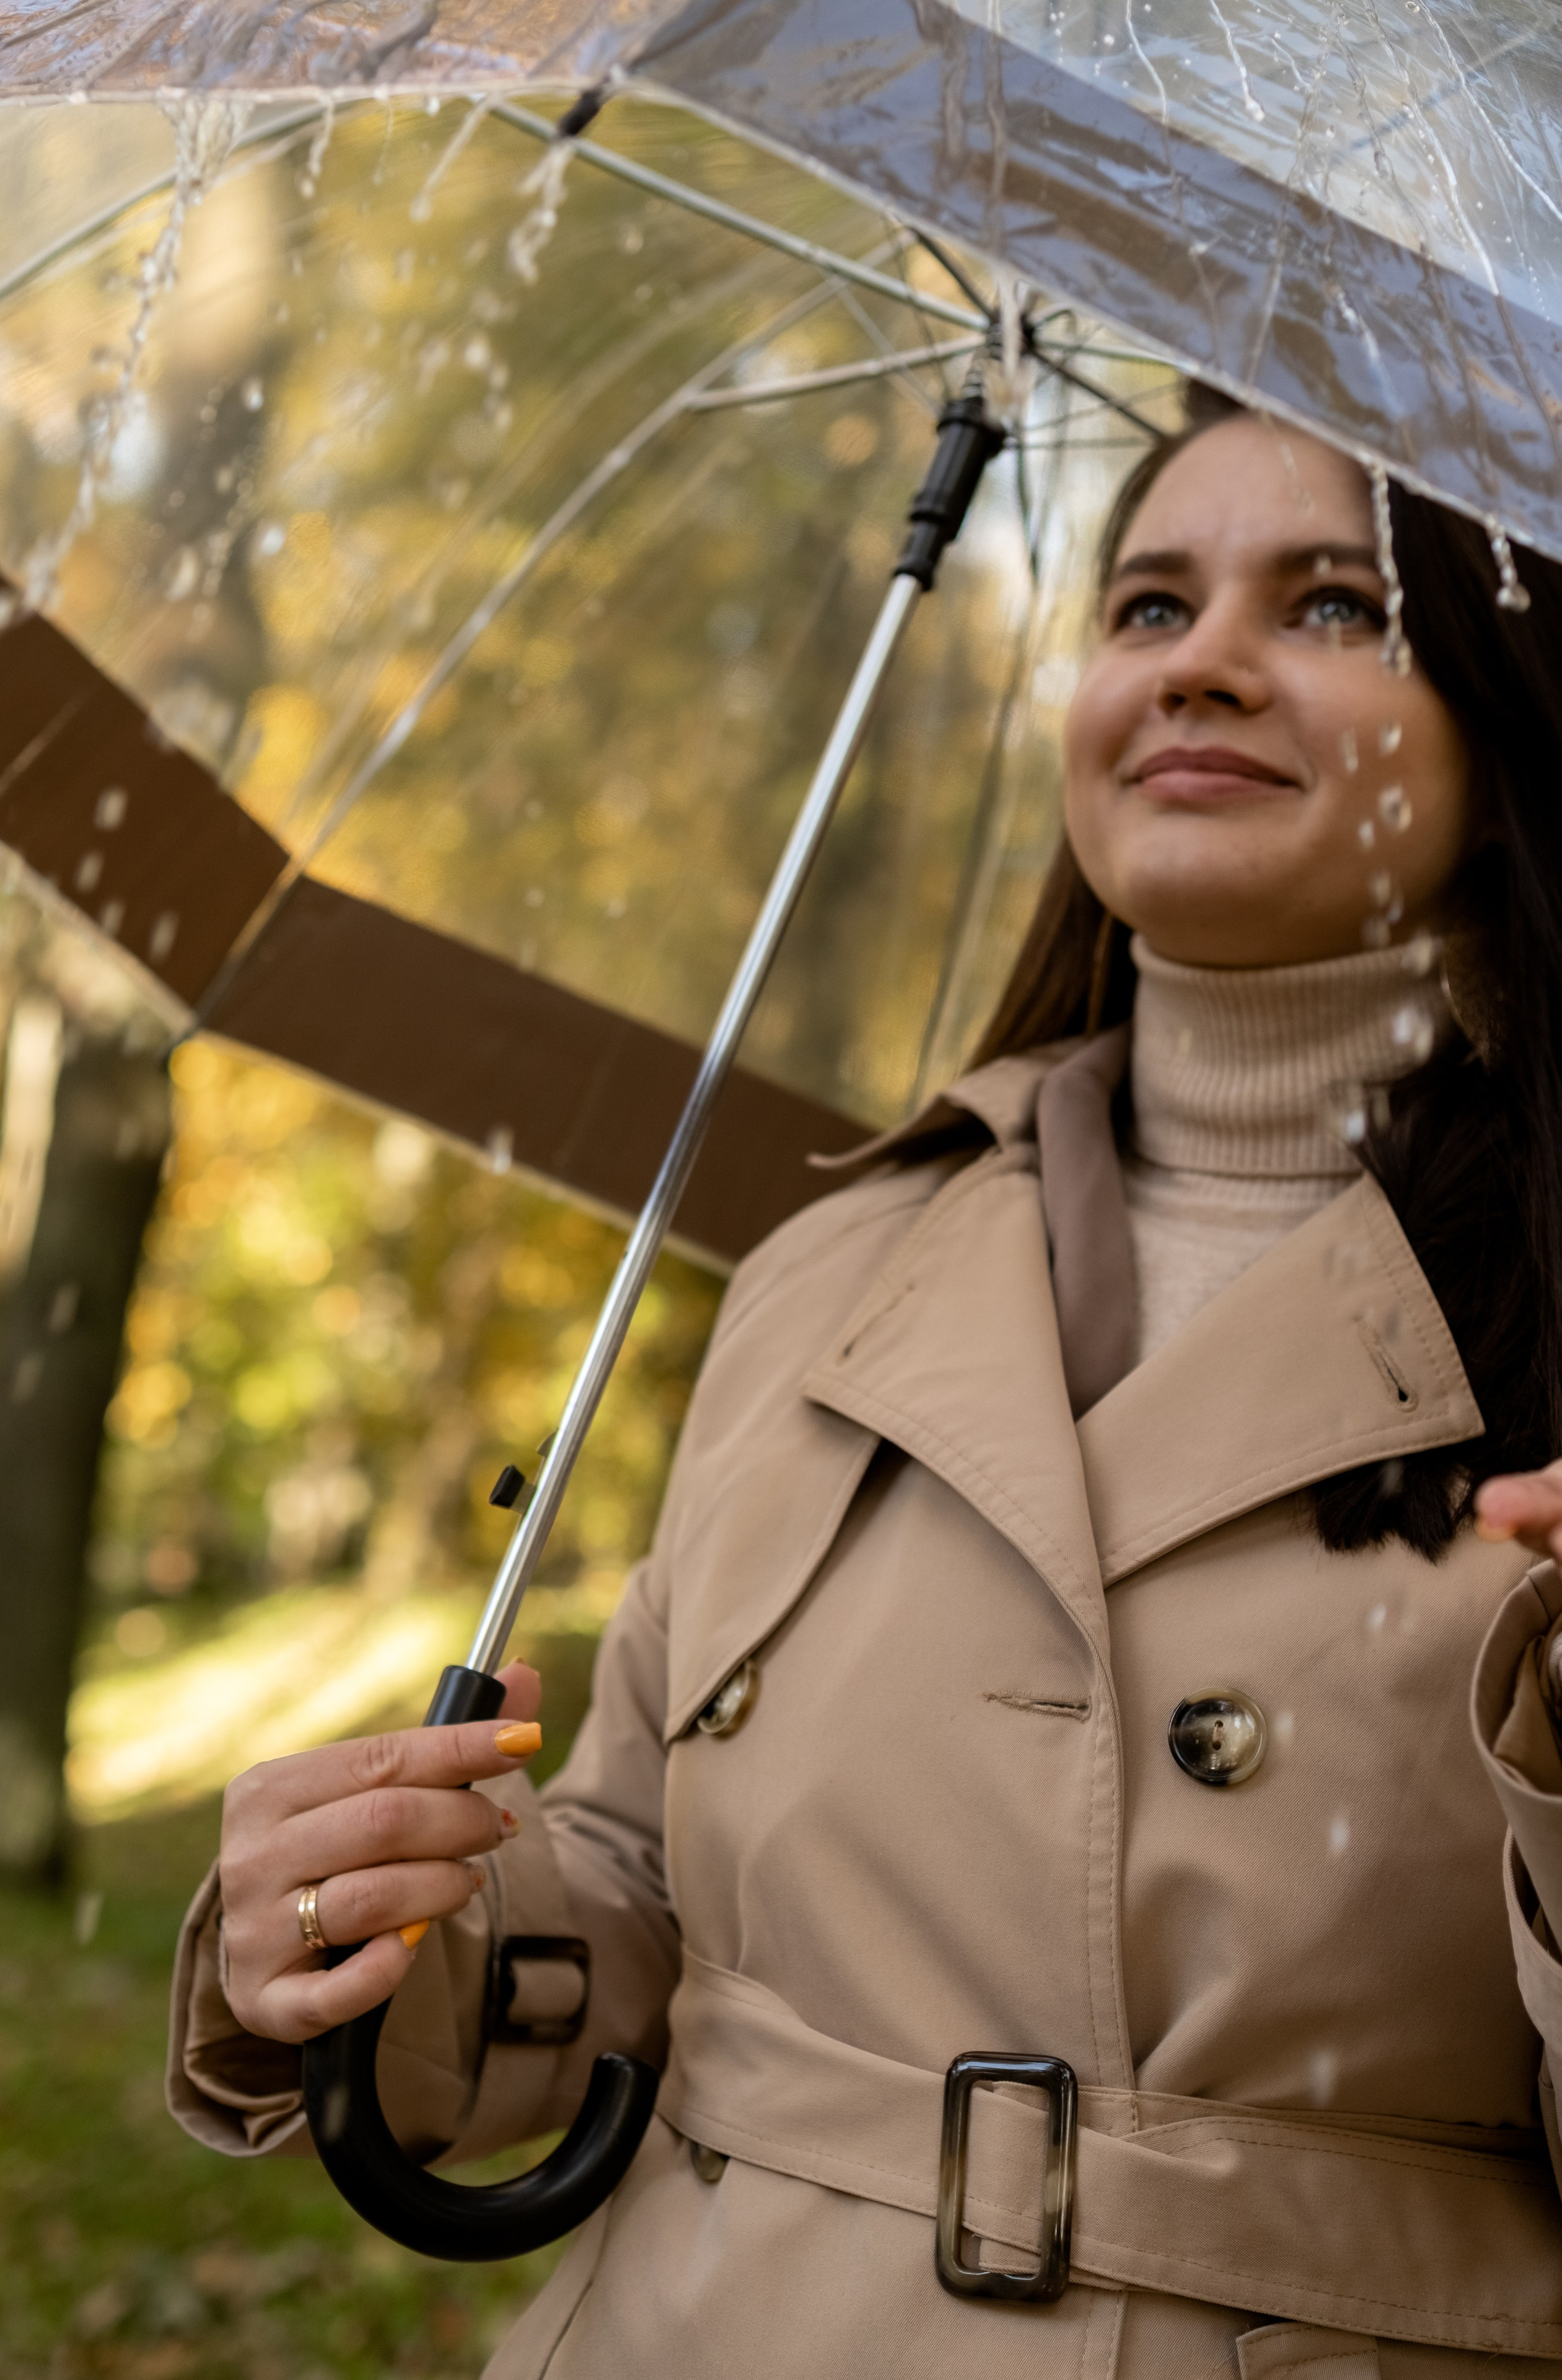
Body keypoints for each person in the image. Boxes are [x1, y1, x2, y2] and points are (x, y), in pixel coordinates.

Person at [167, 390, 1562, 2379]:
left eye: (1335, 607)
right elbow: (644, 1882)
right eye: (1150, 602)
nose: (1203, 665)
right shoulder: (840, 1257)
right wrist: (388, 1920)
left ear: (1506, 736)